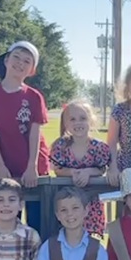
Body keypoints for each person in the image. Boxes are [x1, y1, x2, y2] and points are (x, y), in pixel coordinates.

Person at [0, 41, 49, 231]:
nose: (20, 63)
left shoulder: (34, 96)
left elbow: (35, 133)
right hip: (6, 165)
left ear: (32, 69)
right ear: (6, 60)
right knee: (7, 221)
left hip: (32, 166)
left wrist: (32, 167)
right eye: (16, 57)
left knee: (37, 221)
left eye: (27, 61)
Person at [48, 100, 111, 238]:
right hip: (67, 201)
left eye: (83, 118)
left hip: (90, 201)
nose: (78, 123)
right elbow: (57, 169)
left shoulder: (99, 147)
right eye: (72, 119)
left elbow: (101, 169)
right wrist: (72, 173)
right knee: (67, 236)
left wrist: (88, 172)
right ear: (66, 124)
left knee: (89, 239)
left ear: (91, 120)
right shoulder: (60, 146)